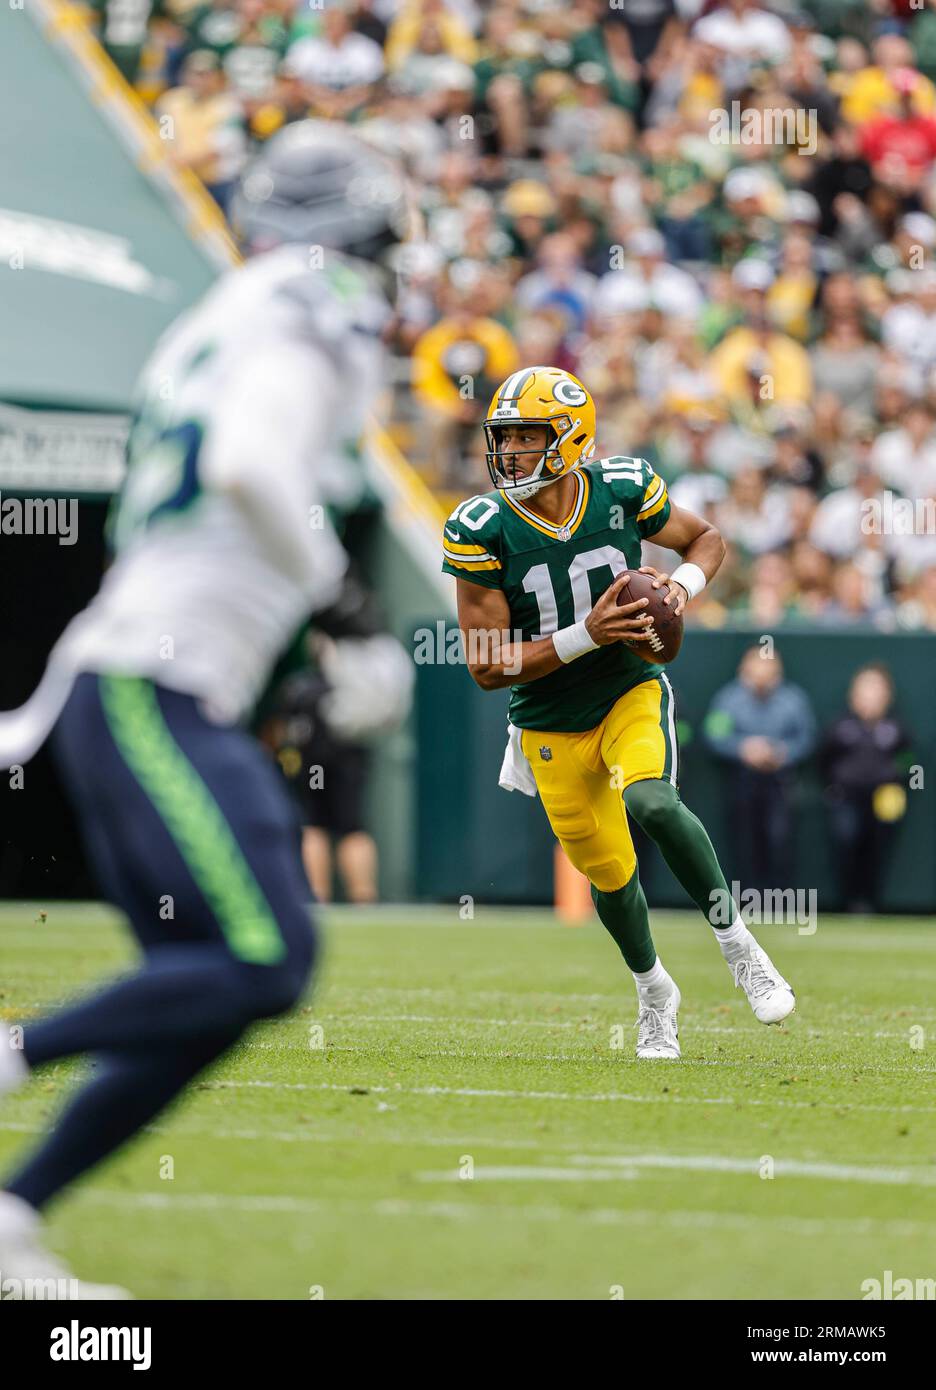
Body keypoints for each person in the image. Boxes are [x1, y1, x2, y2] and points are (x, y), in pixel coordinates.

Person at [0, 121, 409, 1298]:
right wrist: (346, 611)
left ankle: (14, 1216)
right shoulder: (309, 313)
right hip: (149, 686)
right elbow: (245, 464)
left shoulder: (223, 313)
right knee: (267, 955)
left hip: (142, 683)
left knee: (218, 986)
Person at [442, 366, 795, 1063]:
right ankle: (654, 992)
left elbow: (708, 541)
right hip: (546, 720)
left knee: (655, 804)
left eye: (525, 439)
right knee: (610, 876)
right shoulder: (481, 525)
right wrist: (587, 634)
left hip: (630, 687)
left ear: (569, 440)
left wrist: (680, 587)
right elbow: (485, 665)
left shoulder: (624, 486)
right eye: (503, 439)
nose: (508, 454)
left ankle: (738, 944)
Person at [705, 646, 817, 892]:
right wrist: (743, 748)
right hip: (742, 782)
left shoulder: (793, 700)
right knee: (744, 843)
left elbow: (807, 738)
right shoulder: (728, 699)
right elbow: (714, 735)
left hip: (780, 784)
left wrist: (783, 753)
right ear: (744, 669)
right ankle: (746, 899)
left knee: (780, 841)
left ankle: (779, 899)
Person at [820, 664, 912, 913]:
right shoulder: (840, 727)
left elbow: (907, 759)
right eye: (865, 689)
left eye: (876, 689)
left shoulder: (895, 728)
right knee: (847, 840)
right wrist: (834, 786)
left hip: (883, 797)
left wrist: (896, 779)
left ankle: (871, 901)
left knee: (877, 848)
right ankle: (849, 901)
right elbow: (825, 759)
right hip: (847, 797)